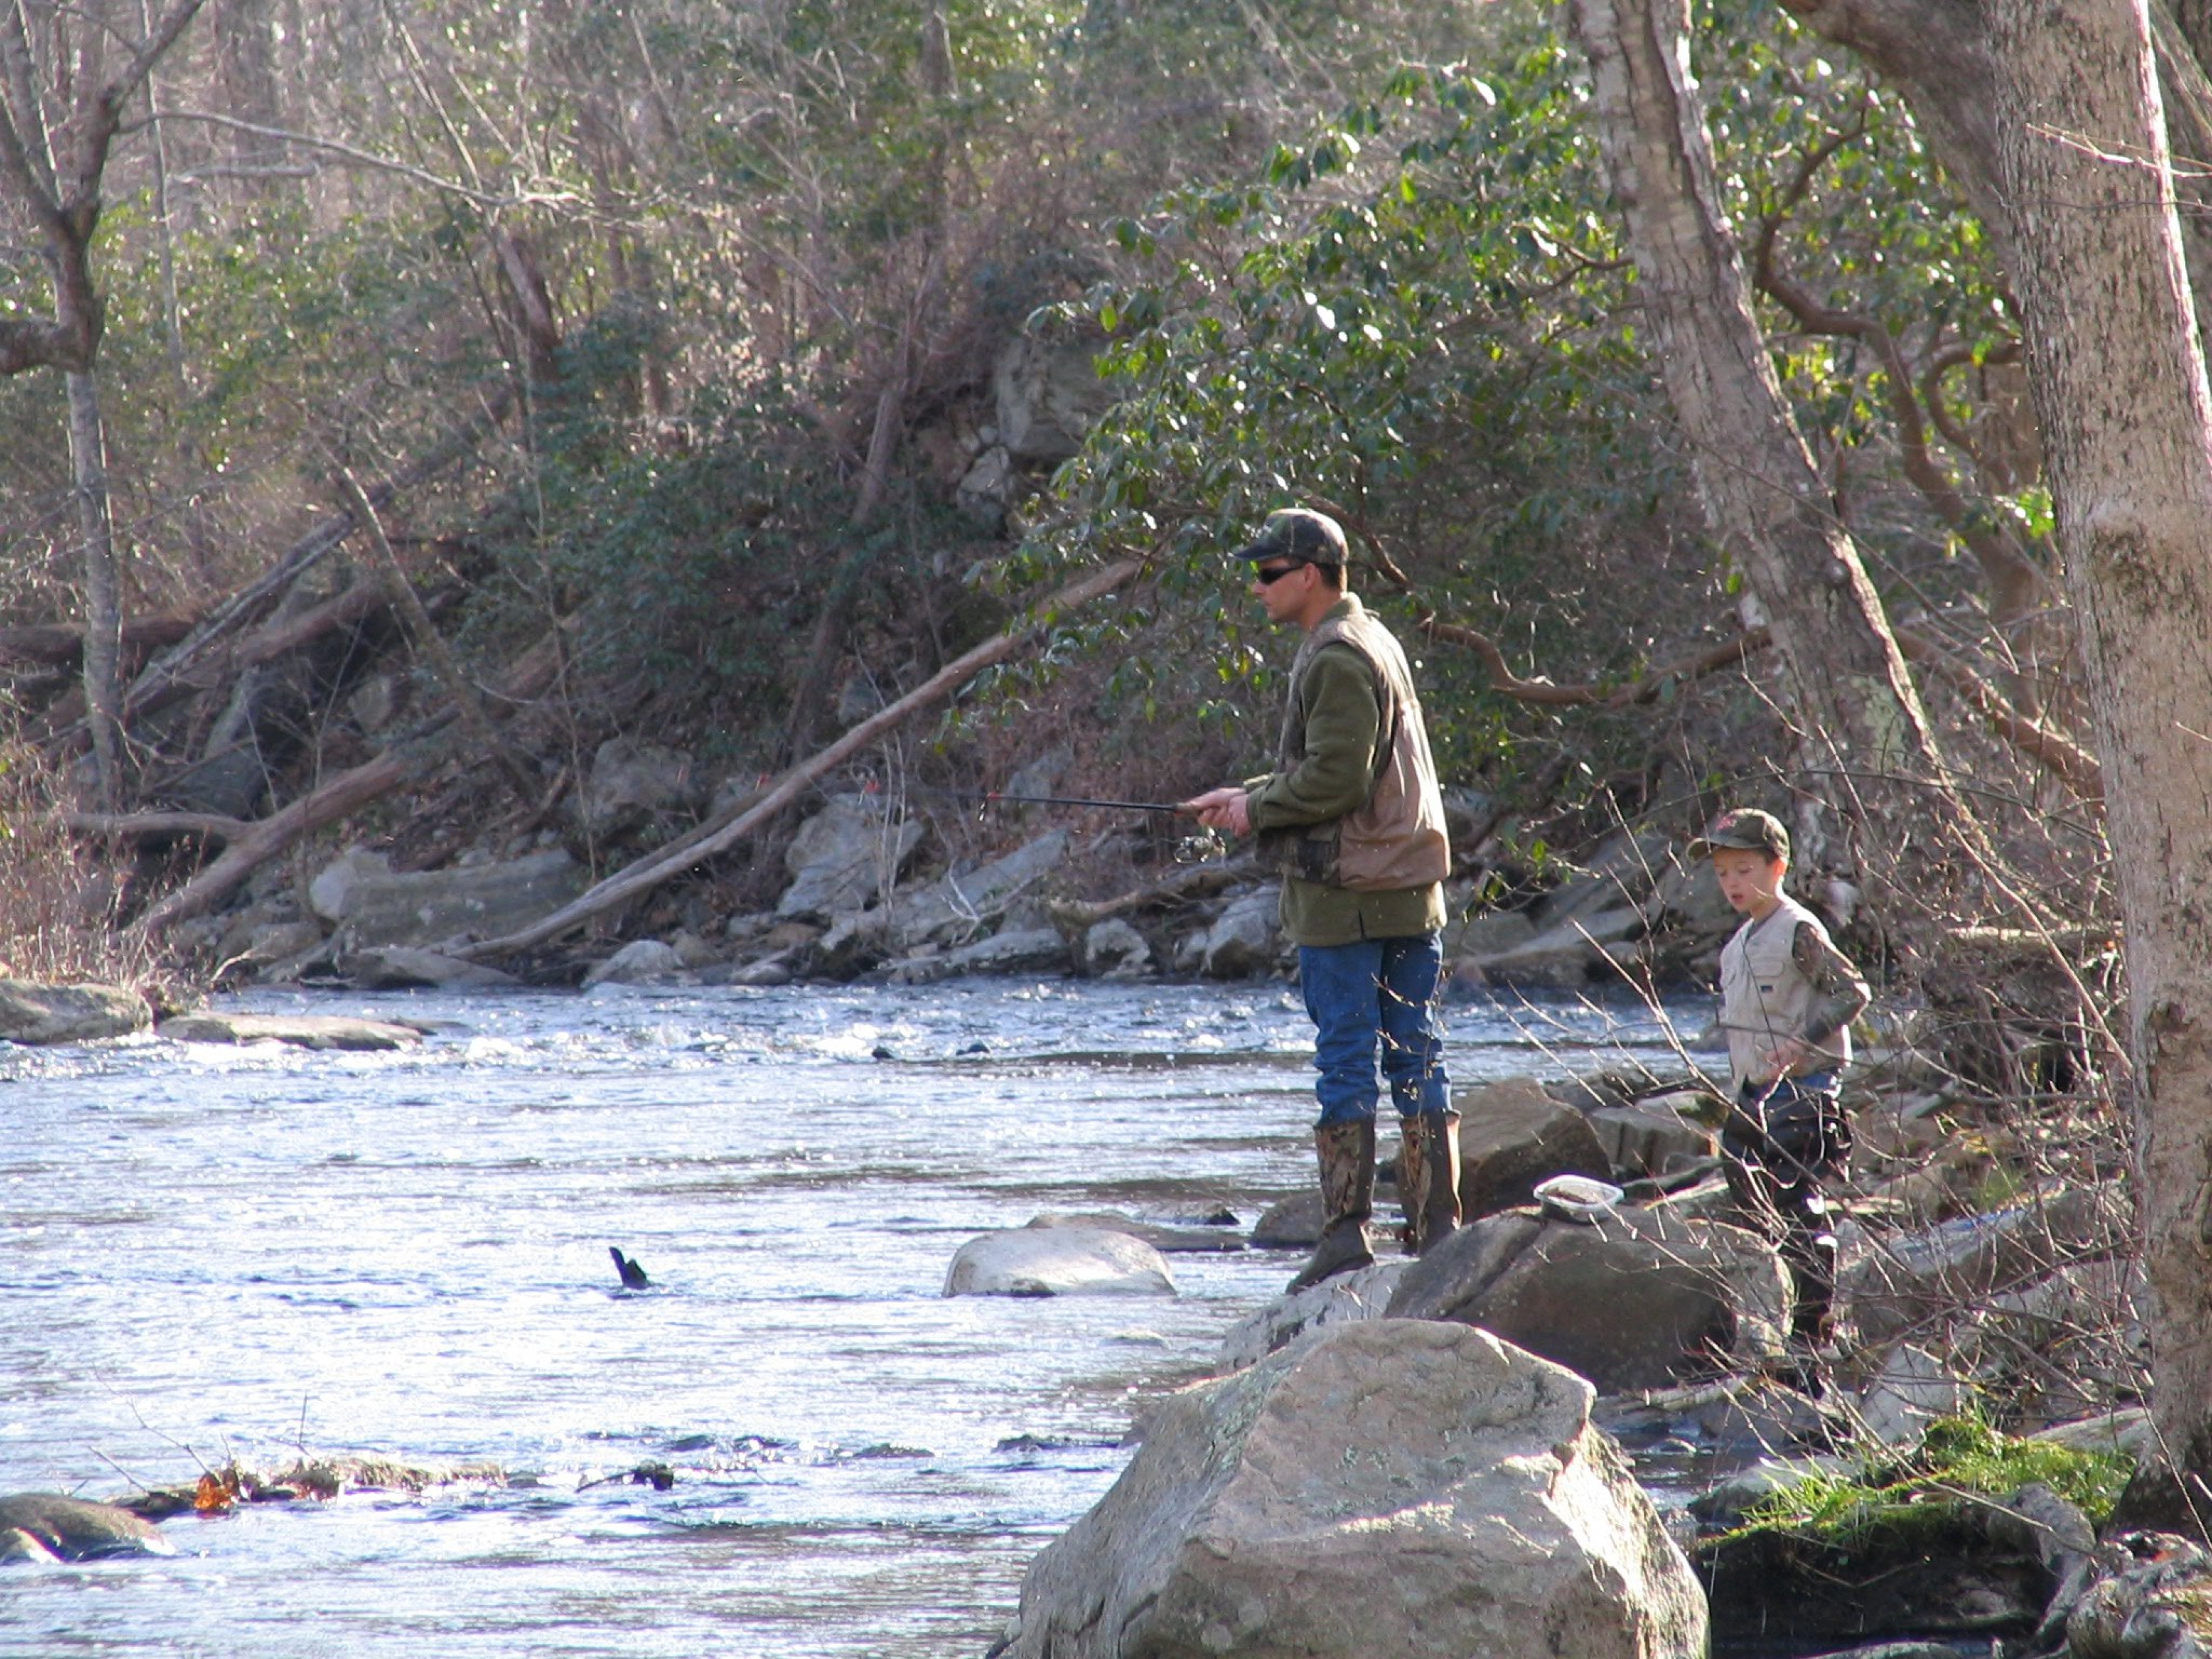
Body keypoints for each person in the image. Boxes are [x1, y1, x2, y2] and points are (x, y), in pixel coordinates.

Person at [1182, 507, 1456, 1293]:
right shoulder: (1375, 638)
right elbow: (1354, 770)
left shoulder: (1334, 655)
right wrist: (1248, 793)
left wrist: (1256, 810)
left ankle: (1346, 1238)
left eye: (1269, 573)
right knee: (1416, 1052)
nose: (1258, 586)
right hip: (1407, 887)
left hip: (1350, 896)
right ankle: (1438, 1229)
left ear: (1311, 575)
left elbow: (1337, 780)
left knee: (1346, 1059)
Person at [1689, 806, 1871, 1368]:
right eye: (1723, 874)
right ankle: (1779, 1317)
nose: (1733, 884)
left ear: (1778, 867)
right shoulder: (1737, 944)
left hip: (1806, 1088)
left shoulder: (1798, 930)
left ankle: (1813, 1335)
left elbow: (1853, 991)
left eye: (1744, 870)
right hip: (1754, 1093)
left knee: (1800, 1207)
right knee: (1747, 1193)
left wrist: (1803, 1042)